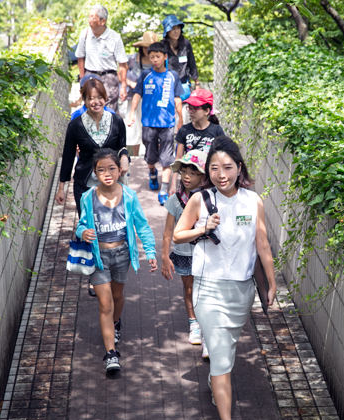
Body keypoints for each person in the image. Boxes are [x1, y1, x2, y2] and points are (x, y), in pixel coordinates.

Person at [173, 136, 277, 419]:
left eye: (228, 167)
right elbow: (178, 235)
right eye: (215, 168)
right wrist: (202, 228)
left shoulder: (253, 201)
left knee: (226, 348)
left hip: (242, 291)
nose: (222, 175)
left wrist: (272, 283)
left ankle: (215, 379)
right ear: (208, 171)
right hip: (208, 290)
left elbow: (262, 244)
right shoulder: (200, 199)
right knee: (220, 358)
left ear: (239, 167)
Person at [76, 148, 158, 374]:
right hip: (98, 257)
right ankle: (111, 353)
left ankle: (115, 323)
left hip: (122, 254)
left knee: (118, 296)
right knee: (105, 303)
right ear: (95, 173)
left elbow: (142, 226)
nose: (107, 173)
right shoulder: (88, 197)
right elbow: (81, 224)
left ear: (120, 170)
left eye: (111, 168)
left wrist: (150, 253)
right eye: (101, 170)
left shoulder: (129, 196)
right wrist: (83, 232)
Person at [55, 77, 129, 217]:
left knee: (114, 223)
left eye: (100, 97)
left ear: (105, 98)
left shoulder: (117, 121)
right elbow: (68, 156)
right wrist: (61, 187)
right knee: (88, 225)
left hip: (113, 184)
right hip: (85, 185)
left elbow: (122, 146)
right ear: (84, 100)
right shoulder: (75, 125)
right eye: (91, 98)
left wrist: (125, 157)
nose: (96, 102)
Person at [161, 149, 208, 353]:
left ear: (203, 176)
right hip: (184, 253)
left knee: (206, 290)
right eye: (184, 172)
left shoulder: (210, 198)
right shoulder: (175, 200)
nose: (187, 177)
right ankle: (194, 323)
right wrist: (164, 256)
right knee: (189, 289)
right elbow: (167, 232)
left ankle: (208, 327)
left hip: (206, 253)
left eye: (193, 173)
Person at [127, 41, 183, 206]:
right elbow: (137, 94)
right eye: (152, 57)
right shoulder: (145, 75)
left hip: (167, 123)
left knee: (166, 158)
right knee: (151, 157)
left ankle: (163, 191)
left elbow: (177, 98)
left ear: (165, 57)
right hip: (148, 123)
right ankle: (152, 171)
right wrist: (132, 113)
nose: (155, 60)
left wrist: (180, 118)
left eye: (158, 56)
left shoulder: (173, 76)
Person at [75, 4, 128, 113]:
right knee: (91, 109)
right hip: (90, 75)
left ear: (102, 21)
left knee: (109, 110)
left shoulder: (115, 37)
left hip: (109, 77)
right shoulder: (85, 34)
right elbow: (80, 57)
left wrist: (123, 86)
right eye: (89, 17)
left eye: (93, 17)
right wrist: (82, 78)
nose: (89, 20)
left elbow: (122, 64)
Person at [121, 31, 159, 157]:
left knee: (151, 129)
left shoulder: (160, 62)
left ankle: (151, 156)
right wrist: (130, 83)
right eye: (145, 47)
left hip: (152, 99)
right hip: (134, 97)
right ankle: (133, 156)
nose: (147, 50)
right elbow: (121, 74)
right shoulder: (132, 59)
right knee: (132, 128)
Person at [175, 88, 224, 159]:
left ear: (206, 111)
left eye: (195, 108)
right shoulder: (184, 130)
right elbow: (178, 158)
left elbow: (222, 156)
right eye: (189, 107)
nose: (191, 111)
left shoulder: (217, 130)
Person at [161, 14, 198, 99]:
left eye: (178, 28)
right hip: (167, 87)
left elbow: (192, 63)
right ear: (167, 31)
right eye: (173, 29)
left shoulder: (186, 44)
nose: (176, 31)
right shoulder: (162, 46)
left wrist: (197, 83)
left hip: (184, 86)